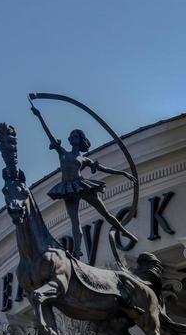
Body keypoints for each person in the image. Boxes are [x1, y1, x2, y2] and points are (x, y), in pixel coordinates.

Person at [30, 103, 139, 259]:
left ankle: (125, 232)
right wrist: (39, 116)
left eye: (75, 136)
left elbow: (104, 169)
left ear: (80, 140)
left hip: (82, 186)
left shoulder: (84, 158)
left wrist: (122, 173)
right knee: (75, 221)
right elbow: (49, 134)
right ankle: (77, 250)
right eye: (71, 136)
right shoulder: (63, 153)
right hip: (68, 189)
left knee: (105, 213)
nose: (72, 138)